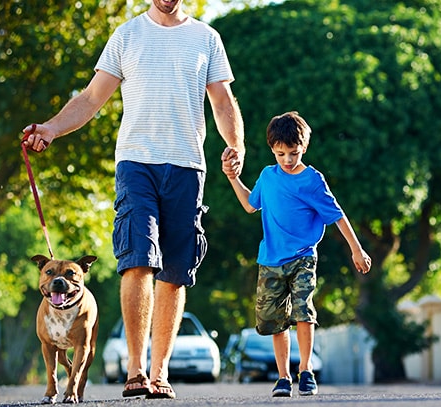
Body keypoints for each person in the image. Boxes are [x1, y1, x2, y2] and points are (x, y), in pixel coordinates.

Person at [22, 0, 245, 399]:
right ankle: (136, 369)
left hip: (187, 165)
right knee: (137, 261)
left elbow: (223, 101)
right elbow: (91, 98)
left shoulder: (206, 38)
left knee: (175, 272)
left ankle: (159, 374)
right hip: (135, 163)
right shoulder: (127, 36)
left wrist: (236, 144)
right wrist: (52, 129)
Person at [220, 111, 371, 397]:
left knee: (304, 311)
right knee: (274, 321)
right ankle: (283, 377)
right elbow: (251, 205)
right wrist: (232, 177)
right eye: (281, 154)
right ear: (272, 150)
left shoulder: (312, 180)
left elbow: (337, 215)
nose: (288, 160)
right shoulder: (268, 175)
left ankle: (305, 370)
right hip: (271, 260)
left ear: (304, 148)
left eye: (293, 153)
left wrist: (357, 249)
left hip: (303, 257)